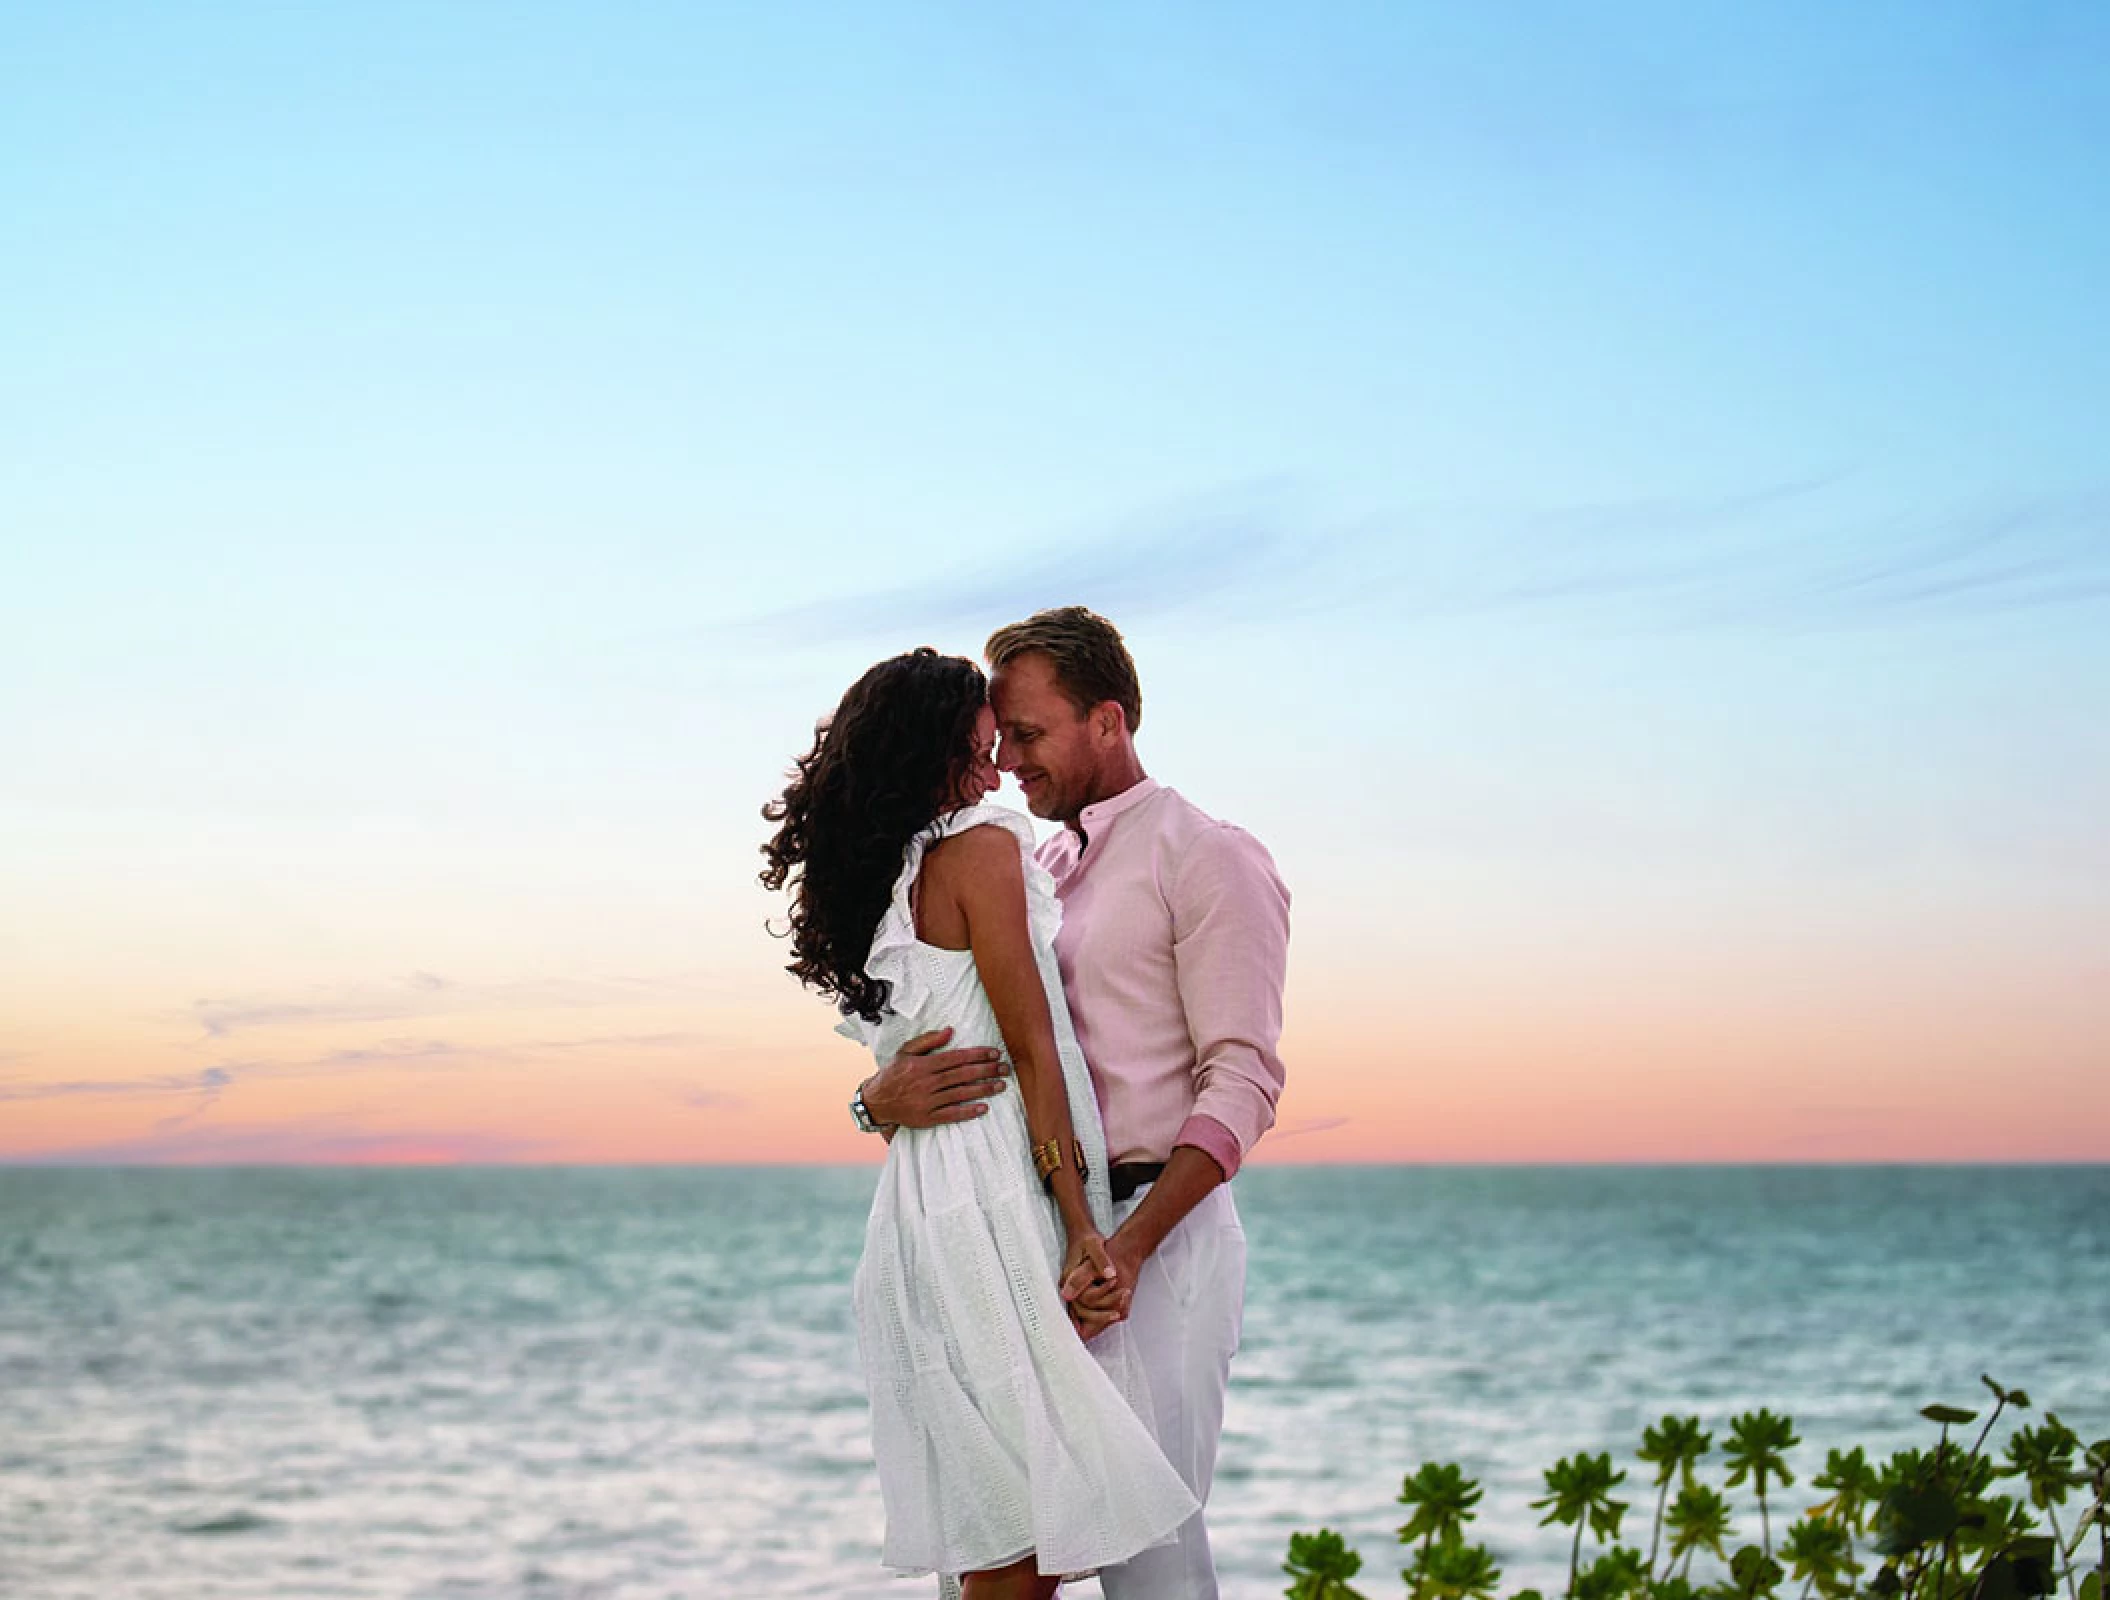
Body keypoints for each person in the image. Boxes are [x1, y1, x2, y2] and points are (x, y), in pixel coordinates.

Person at [857, 607, 1291, 1600]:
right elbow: (977, 1049)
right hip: (1040, 1240)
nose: (1006, 759)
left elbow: (1242, 1081)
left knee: (1152, 1561)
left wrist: (1126, 1250)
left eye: (1029, 733)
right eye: (998, 737)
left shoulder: (1206, 854)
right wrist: (875, 1100)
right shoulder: (1034, 868)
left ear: (1108, 720)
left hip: (1153, 1237)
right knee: (1010, 1539)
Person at [759, 646, 1196, 1600]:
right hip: (993, 1209)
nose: (999, 769)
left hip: (924, 1215)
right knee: (1023, 1543)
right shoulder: (984, 850)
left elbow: (902, 1067)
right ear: (935, 756)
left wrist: (872, 1104)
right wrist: (1084, 1225)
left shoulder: (893, 877)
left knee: (1003, 1535)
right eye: (981, 748)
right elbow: (1036, 1053)